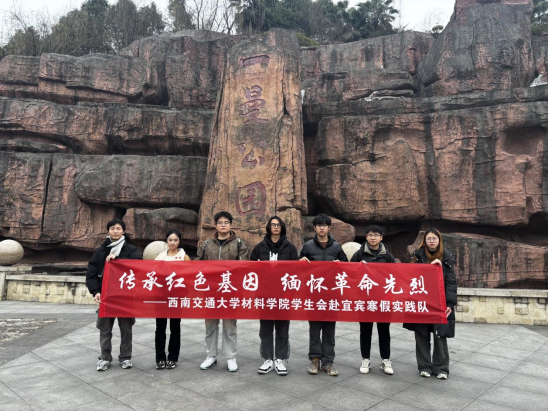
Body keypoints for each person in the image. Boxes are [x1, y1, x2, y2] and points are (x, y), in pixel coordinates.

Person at [86, 218, 142, 372]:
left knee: (126, 329)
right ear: (108, 231)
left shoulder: (131, 250)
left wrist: (118, 260)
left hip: (125, 297)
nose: (115, 231)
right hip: (106, 297)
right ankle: (104, 358)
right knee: (105, 329)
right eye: (112, 228)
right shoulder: (100, 252)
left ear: (123, 231)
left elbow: (138, 265)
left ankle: (126, 357)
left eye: (118, 228)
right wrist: (95, 291)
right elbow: (91, 274)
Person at [197, 211, 249, 373]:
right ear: (215, 225)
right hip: (211, 291)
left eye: (226, 222)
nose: (223, 225)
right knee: (210, 325)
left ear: (231, 225)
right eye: (220, 222)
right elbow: (198, 264)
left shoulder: (239, 244)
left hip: (229, 291)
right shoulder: (207, 244)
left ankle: (230, 357)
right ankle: (211, 355)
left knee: (229, 325)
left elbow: (244, 266)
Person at [404, 229, 457, 380]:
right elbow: (409, 277)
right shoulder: (417, 256)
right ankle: (424, 366)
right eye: (429, 238)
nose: (431, 241)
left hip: (440, 303)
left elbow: (451, 283)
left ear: (439, 240)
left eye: (434, 238)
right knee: (421, 335)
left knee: (440, 336)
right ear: (424, 241)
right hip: (421, 302)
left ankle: (441, 368)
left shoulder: (446, 258)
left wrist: (450, 304)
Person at [300, 214, 349, 377]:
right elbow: (298, 268)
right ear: (314, 228)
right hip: (313, 294)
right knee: (314, 329)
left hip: (331, 295)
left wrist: (341, 265)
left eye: (324, 225)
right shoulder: (307, 246)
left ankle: (328, 362)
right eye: (319, 225)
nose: (322, 227)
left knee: (329, 329)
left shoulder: (336, 247)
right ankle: (315, 359)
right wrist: (301, 262)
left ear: (329, 228)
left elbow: (347, 268)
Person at [251, 216, 299, 376]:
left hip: (283, 295)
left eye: (278, 225)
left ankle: (280, 359)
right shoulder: (259, 247)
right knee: (265, 328)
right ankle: (267, 359)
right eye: (273, 225)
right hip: (264, 294)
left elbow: (296, 271)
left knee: (282, 328)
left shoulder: (290, 248)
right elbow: (250, 269)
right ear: (269, 227)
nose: (276, 227)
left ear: (282, 227)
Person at [350, 225, 396, 376]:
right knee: (365, 331)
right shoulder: (359, 254)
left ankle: (385, 360)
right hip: (365, 300)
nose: (373, 237)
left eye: (376, 235)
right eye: (370, 235)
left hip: (383, 300)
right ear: (366, 237)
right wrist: (357, 267)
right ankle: (365, 359)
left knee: (384, 331)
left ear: (381, 238)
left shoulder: (387, 256)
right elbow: (349, 273)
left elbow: (395, 275)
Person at [154, 229, 190, 370]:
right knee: (160, 327)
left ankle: (173, 358)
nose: (173, 242)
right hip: (161, 296)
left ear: (179, 241)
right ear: (166, 241)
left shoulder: (184, 257)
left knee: (175, 327)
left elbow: (188, 277)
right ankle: (160, 358)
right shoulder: (160, 256)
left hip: (176, 297)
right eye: (170, 240)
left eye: (175, 240)